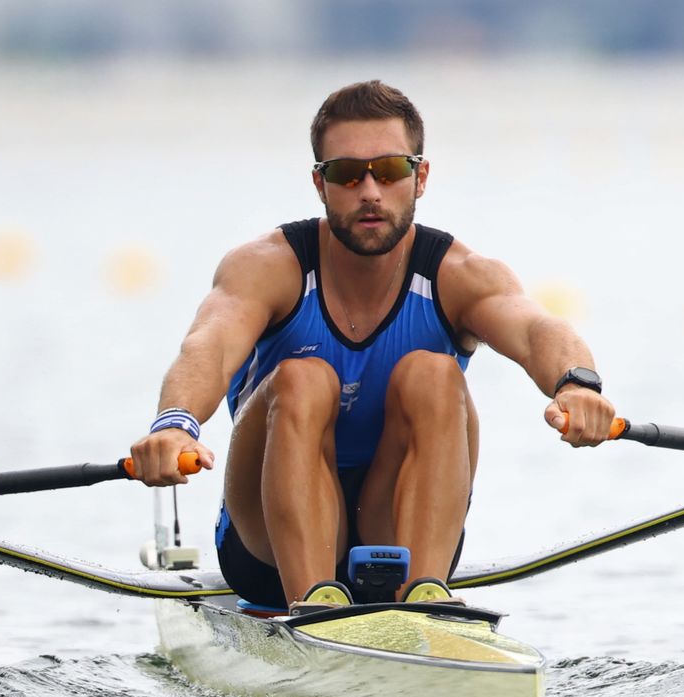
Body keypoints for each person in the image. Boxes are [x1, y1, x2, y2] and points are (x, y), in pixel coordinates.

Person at [129, 80, 615, 614]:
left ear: (420, 176)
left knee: (435, 374)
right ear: (320, 184)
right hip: (265, 548)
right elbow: (209, 348)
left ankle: (425, 599)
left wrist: (577, 384)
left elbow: (536, 329)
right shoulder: (266, 268)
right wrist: (174, 424)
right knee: (302, 376)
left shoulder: (460, 275)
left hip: (400, 529)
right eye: (346, 173)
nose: (369, 191)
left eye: (389, 170)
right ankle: (311, 602)